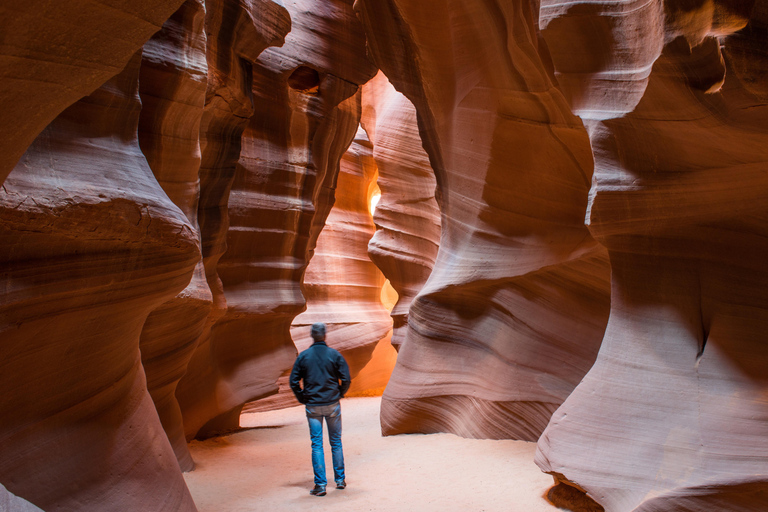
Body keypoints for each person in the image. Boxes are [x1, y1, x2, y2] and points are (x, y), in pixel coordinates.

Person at [289, 322, 351, 496]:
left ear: (312, 335)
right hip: (332, 404)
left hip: (313, 406)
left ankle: (321, 485)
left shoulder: (304, 356)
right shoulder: (334, 355)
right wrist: (339, 393)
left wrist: (303, 397)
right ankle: (340, 480)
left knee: (317, 445)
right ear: (324, 335)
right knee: (336, 442)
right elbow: (346, 378)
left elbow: (293, 381)